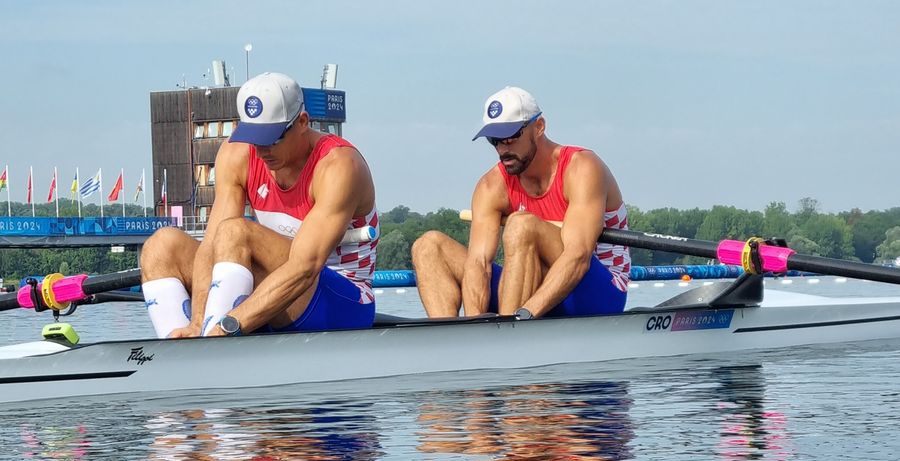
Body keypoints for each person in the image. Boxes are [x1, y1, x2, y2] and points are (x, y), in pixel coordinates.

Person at [141, 72, 378, 338]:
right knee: (161, 246)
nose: (262, 150)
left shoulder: (339, 166)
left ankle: (215, 341)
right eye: (255, 138)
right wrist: (197, 321)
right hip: (275, 294)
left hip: (342, 299)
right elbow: (210, 248)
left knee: (236, 232)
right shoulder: (237, 154)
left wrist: (229, 324)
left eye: (272, 138)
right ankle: (179, 348)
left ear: (302, 122)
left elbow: (305, 268)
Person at [412, 86, 629, 319]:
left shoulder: (582, 168)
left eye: (511, 137)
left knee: (521, 225)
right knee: (428, 246)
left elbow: (578, 257)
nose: (503, 149)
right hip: (533, 288)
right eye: (495, 141)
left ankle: (510, 333)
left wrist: (524, 314)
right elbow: (478, 264)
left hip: (597, 293)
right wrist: (473, 325)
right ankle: (453, 340)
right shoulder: (491, 185)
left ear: (539, 127)